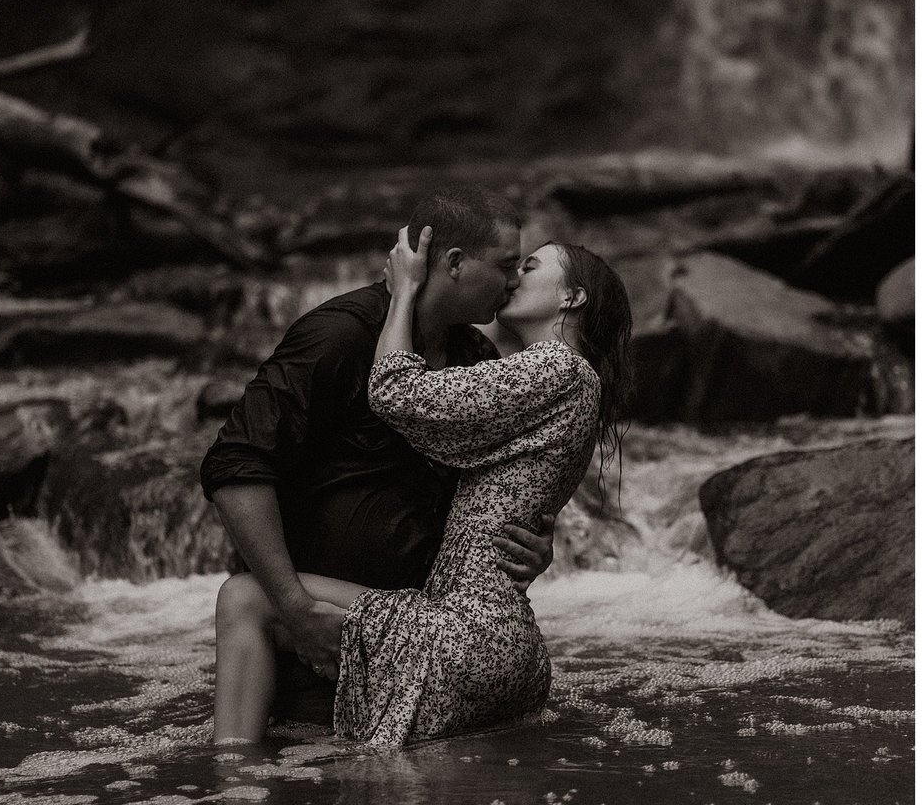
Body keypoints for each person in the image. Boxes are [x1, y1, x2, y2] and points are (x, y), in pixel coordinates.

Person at [210, 225, 633, 746]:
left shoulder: (555, 367)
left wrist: (403, 292)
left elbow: (394, 392)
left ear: (572, 296)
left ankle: (232, 790)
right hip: (494, 638)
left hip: (468, 636)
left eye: (526, 267)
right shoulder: (551, 377)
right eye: (507, 265)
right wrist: (539, 546)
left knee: (243, 597)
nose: (510, 280)